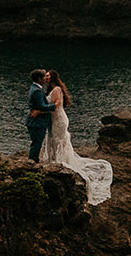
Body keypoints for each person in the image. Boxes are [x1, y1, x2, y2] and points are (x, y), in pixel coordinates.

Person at [39, 69, 113, 205]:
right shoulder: (51, 89)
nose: (46, 77)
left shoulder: (56, 90)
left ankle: (59, 162)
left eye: (48, 76)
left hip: (59, 120)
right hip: (54, 120)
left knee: (58, 141)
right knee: (54, 141)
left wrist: (40, 110)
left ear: (53, 77)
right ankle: (55, 161)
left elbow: (55, 106)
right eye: (45, 76)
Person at [25, 68, 54, 161]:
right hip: (37, 122)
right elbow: (41, 106)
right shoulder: (37, 90)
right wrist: (54, 106)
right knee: (37, 143)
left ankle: (33, 161)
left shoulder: (35, 88)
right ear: (39, 79)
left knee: (36, 143)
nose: (46, 78)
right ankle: (33, 161)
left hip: (35, 121)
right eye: (44, 77)